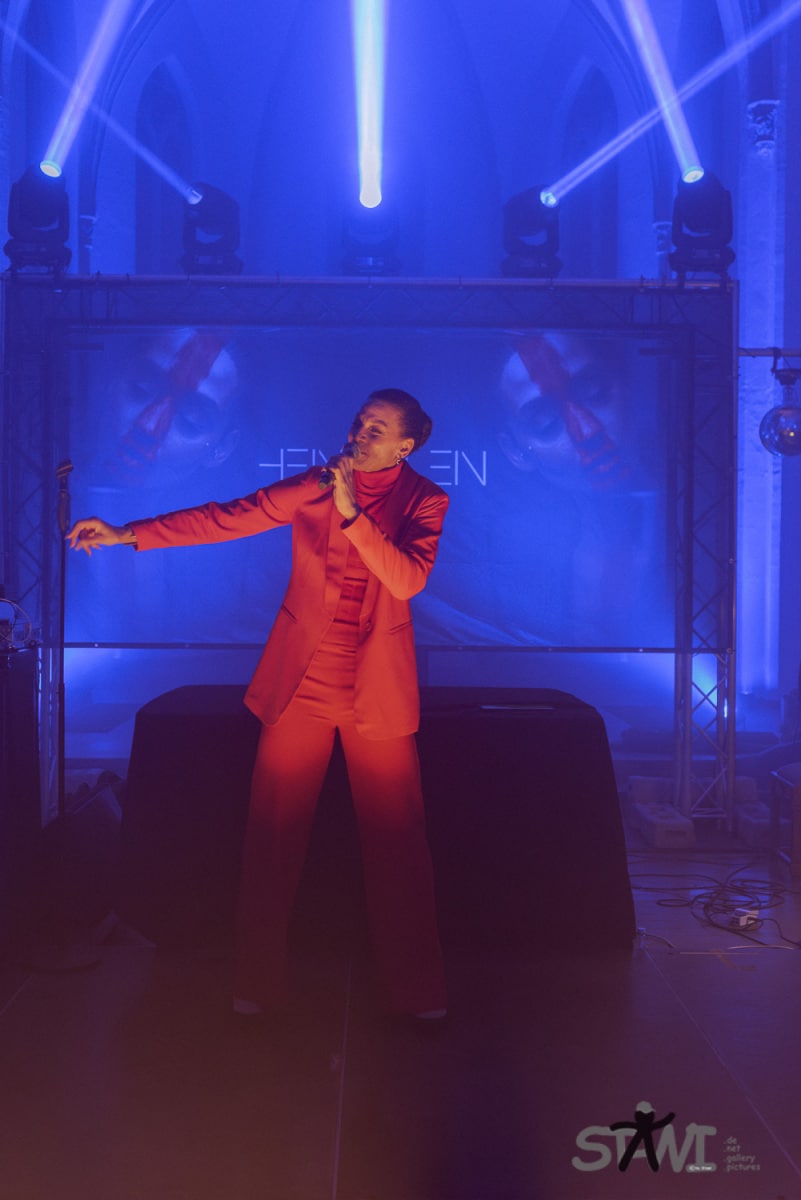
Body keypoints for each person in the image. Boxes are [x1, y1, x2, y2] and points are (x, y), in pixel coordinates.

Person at [68, 388, 448, 1023]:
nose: (359, 433)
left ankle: (418, 994)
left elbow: (407, 579)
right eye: (359, 421)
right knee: (272, 836)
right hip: (302, 683)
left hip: (375, 690)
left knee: (398, 843)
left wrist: (352, 512)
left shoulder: (425, 499)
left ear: (404, 446)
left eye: (376, 428)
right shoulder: (317, 482)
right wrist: (127, 534)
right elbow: (228, 517)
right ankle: (258, 984)